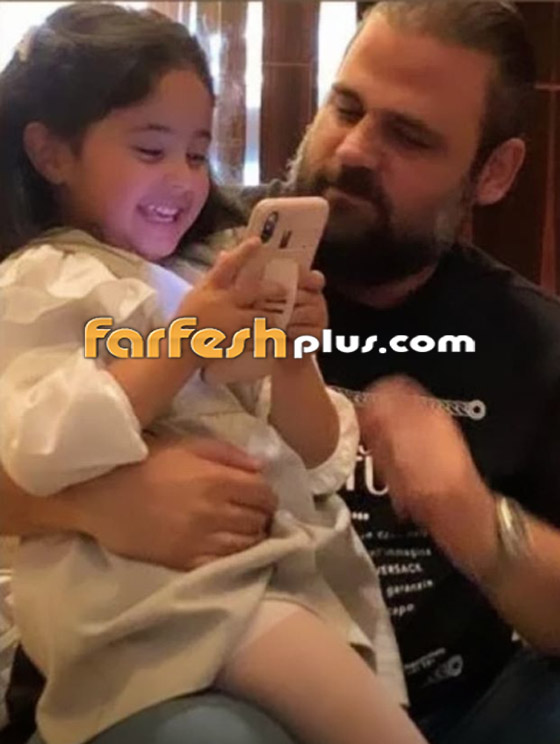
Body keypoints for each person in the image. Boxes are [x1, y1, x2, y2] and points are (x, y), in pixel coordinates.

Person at [3, 1, 560, 743]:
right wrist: (92, 503)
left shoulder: (535, 343)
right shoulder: (181, 247)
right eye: (346, 106)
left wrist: (473, 518)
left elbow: (315, 441)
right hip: (179, 664)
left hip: (426, 687)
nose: (355, 149)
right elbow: (32, 422)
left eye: (409, 136)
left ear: (494, 172)